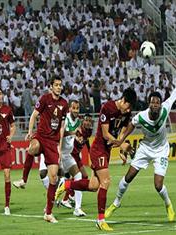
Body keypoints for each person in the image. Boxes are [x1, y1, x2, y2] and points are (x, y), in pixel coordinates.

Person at [104, 63, 176, 222]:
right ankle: (115, 203)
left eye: (157, 102)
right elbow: (130, 125)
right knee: (128, 178)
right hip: (145, 149)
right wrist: (120, 140)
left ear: (160, 104)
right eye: (152, 102)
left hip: (161, 150)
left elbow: (175, 92)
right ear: (149, 104)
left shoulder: (165, 108)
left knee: (158, 185)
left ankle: (168, 205)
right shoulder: (142, 116)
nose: (154, 105)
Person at [55, 88, 137, 231]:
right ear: (123, 100)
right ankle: (100, 220)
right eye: (127, 106)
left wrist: (121, 147)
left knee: (93, 186)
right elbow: (105, 135)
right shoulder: (108, 108)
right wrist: (121, 144)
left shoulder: (126, 112)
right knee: (106, 181)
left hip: (107, 151)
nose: (128, 110)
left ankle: (67, 185)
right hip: (98, 149)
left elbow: (122, 132)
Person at [13, 76, 68, 223]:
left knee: (53, 178)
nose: (59, 87)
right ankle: (24, 180)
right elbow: (34, 115)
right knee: (33, 147)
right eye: (56, 85)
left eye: (60, 85)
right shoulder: (44, 99)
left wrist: (60, 147)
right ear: (51, 87)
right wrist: (30, 132)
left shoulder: (64, 103)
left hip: (52, 143)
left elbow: (62, 127)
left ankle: (48, 213)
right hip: (41, 136)